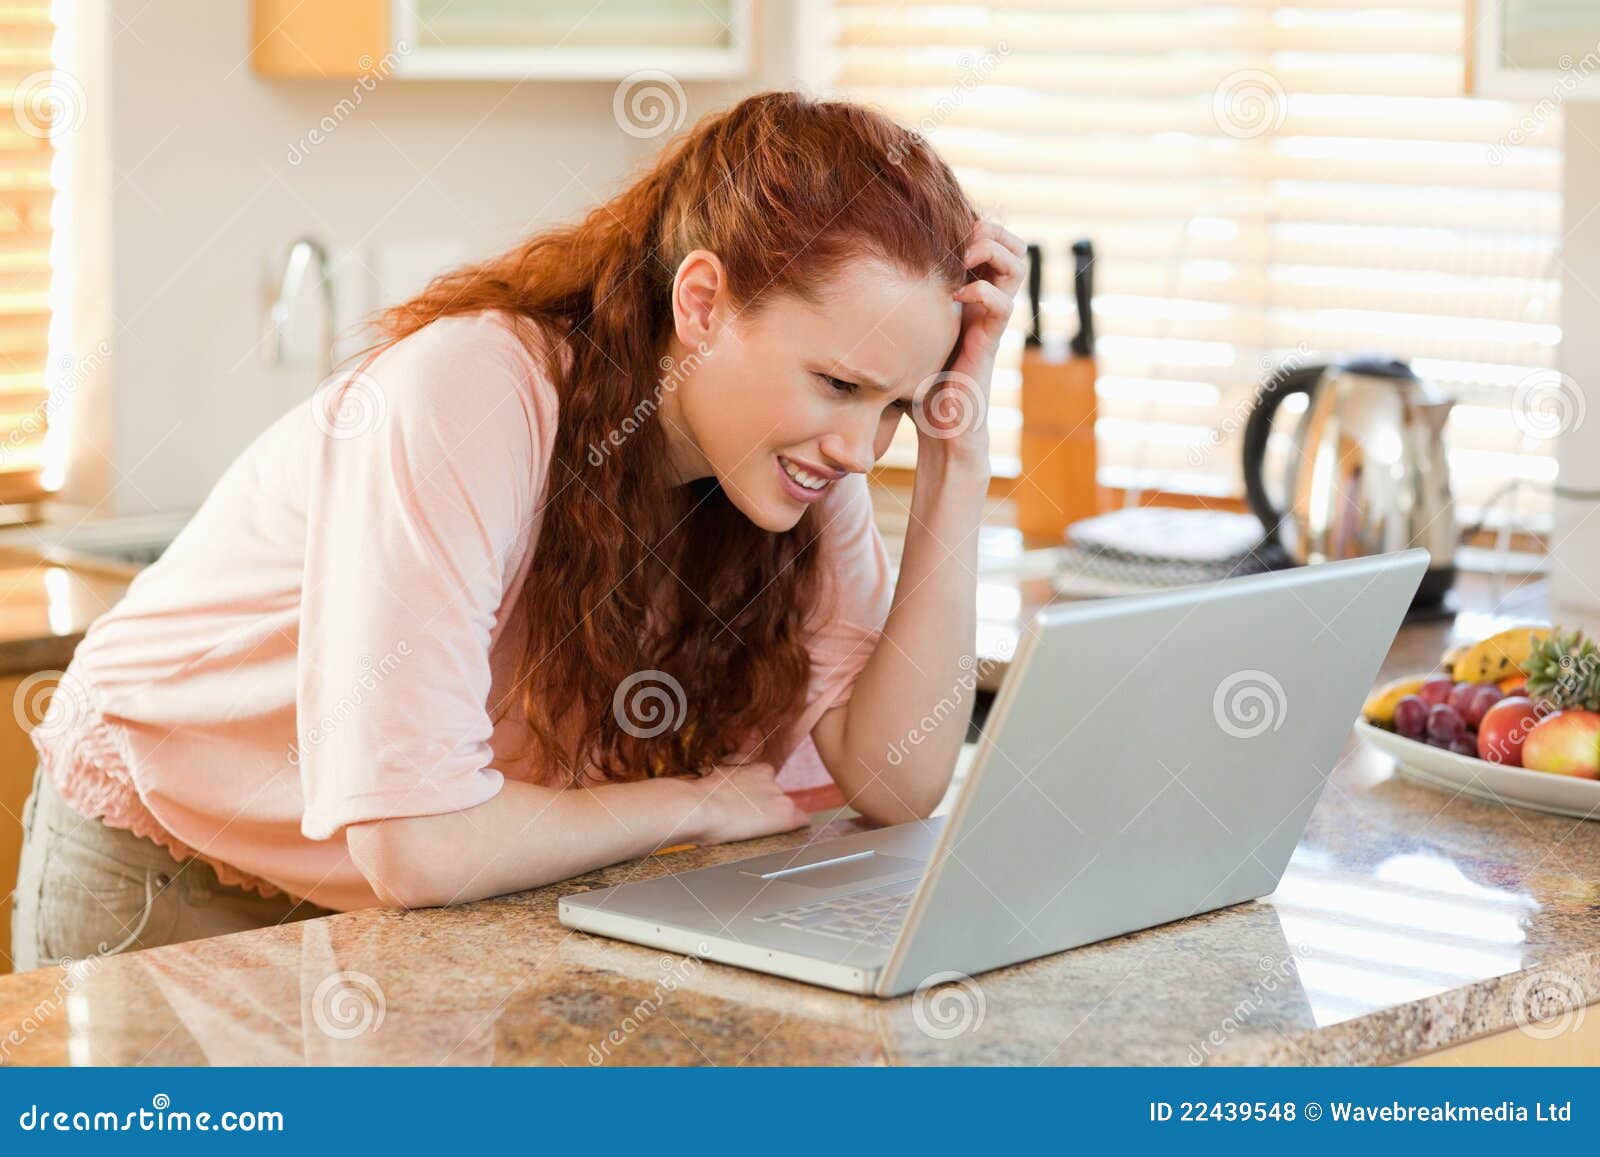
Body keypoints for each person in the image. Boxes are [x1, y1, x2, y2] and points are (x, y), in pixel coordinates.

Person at [10, 90, 1023, 971]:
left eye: (896, 406)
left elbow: (898, 777)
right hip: (175, 859)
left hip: (419, 904)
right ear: (704, 304)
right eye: (839, 383)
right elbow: (416, 846)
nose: (862, 447)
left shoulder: (798, 460)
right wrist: (695, 803)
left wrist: (957, 457)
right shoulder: (474, 395)